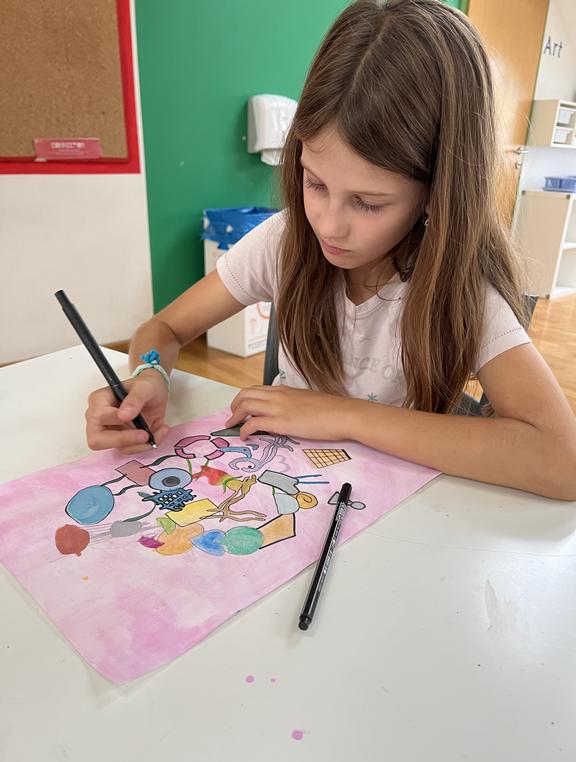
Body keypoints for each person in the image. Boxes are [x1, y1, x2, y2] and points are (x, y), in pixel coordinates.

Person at [85, 0, 576, 500]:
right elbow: (165, 329)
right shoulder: (284, 240)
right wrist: (149, 374)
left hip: (392, 510)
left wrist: (342, 415)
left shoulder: (459, 288)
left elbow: (562, 459)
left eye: (368, 203)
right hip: (276, 487)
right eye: (314, 183)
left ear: (436, 193)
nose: (327, 225)